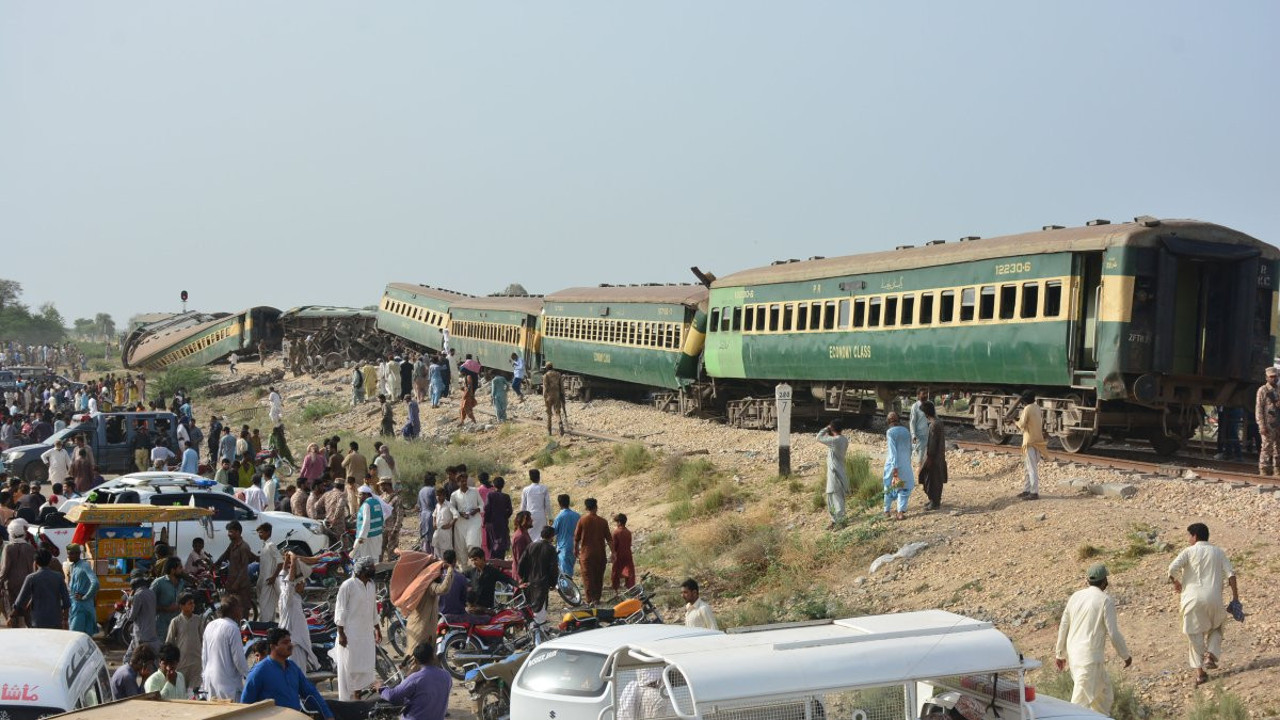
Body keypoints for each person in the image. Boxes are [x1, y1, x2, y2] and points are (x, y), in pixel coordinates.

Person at [1168, 523, 1240, 685]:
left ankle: (1200, 673)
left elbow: (1171, 568)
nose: (1188, 539)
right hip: (1214, 599)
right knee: (1218, 626)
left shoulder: (1188, 552)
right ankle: (1211, 654)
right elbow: (1232, 575)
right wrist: (1235, 598)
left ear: (1194, 536)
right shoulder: (1218, 552)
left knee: (1194, 635)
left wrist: (1176, 582)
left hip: (1191, 600)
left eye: (1189, 536)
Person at [1055, 564, 1132, 714]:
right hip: (1088, 660)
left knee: (1104, 695)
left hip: (1077, 657)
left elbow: (1064, 625)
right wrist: (1125, 656)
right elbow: (1113, 633)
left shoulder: (1075, 597)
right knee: (1078, 707)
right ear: (1104, 581)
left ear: (1087, 580)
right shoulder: (1105, 600)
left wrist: (1060, 654)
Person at [241, 628, 335, 720]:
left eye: (290, 641)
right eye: (285, 642)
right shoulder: (259, 671)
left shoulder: (293, 668)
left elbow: (311, 693)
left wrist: (328, 715)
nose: (290, 645)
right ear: (273, 647)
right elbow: (245, 705)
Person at [334, 557, 380, 700]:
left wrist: (377, 627)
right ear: (362, 570)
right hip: (350, 635)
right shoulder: (348, 586)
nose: (374, 570)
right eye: (371, 568)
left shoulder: (371, 585)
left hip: (366, 634)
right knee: (349, 669)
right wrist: (341, 634)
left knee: (364, 668)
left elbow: (373, 609)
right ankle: (346, 704)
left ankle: (358, 699)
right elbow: (340, 610)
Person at [379, 641, 452, 720]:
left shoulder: (415, 678)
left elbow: (392, 696)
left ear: (416, 661)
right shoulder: (446, 675)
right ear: (433, 656)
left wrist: (381, 688)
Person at [278, 550, 324, 671]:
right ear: (297, 584)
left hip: (294, 641)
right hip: (294, 644)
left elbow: (283, 574)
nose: (304, 586)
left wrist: (288, 559)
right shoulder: (288, 596)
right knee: (297, 673)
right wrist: (293, 559)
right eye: (303, 582)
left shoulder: (284, 588)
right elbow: (290, 579)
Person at [203, 595, 249, 699]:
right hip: (228, 686)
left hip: (210, 683)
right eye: (239, 607)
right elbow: (239, 662)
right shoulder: (232, 628)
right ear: (234, 610)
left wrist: (204, 679)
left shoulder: (210, 625)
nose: (242, 610)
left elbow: (204, 657)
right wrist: (251, 677)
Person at [13, 548, 70, 629]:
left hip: (37, 620)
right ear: (50, 561)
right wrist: (65, 619)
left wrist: (11, 615)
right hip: (56, 620)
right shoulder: (58, 577)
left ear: (35, 562)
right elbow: (66, 600)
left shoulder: (31, 578)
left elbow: (20, 600)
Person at [518, 526, 560, 622]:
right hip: (542, 583)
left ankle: (535, 630)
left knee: (531, 607)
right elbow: (553, 569)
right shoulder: (551, 549)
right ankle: (539, 632)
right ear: (551, 536)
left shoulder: (530, 546)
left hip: (529, 582)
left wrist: (523, 578)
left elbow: (521, 564)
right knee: (540, 609)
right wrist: (553, 583)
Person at [574, 498, 611, 605]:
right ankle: (597, 598)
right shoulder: (603, 521)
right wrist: (613, 553)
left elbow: (576, 538)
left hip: (586, 554)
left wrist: (575, 549)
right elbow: (609, 539)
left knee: (587, 577)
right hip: (600, 554)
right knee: (598, 576)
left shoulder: (582, 520)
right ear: (596, 507)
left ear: (586, 508)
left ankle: (590, 599)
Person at [166, 593, 205, 691]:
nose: (193, 605)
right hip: (181, 664)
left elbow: (203, 639)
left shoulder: (198, 620)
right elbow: (169, 642)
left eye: (193, 603)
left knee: (193, 692)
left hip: (196, 663)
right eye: (190, 603)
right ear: (182, 606)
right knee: (181, 691)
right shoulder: (175, 621)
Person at [215, 520, 256, 612]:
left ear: (238, 532)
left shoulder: (244, 547)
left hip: (241, 586)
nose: (228, 534)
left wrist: (236, 584)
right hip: (231, 584)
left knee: (242, 610)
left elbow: (244, 569)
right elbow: (225, 555)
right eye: (228, 532)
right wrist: (215, 564)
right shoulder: (232, 544)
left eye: (231, 532)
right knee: (230, 609)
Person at [0, 518, 35, 624]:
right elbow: (32, 568)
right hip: (27, 584)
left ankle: (15, 632)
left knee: (12, 610)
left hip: (11, 585)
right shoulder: (30, 548)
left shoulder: (8, 548)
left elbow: (5, 569)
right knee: (27, 612)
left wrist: (0, 582)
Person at [1013, 390, 1046, 500]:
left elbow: (1022, 425)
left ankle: (1034, 492)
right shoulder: (1037, 407)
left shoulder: (1027, 409)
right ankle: (1026, 490)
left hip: (1029, 441)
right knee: (1029, 467)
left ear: (1024, 400)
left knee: (1031, 468)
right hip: (1038, 440)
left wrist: (1014, 421)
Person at [816, 419, 849, 528]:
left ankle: (839, 521)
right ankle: (836, 520)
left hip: (835, 473)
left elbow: (818, 437)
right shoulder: (844, 440)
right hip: (839, 471)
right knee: (835, 497)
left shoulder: (835, 441)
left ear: (833, 428)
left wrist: (827, 428)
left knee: (835, 497)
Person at [882, 412, 914, 520]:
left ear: (888, 421)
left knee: (889, 487)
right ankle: (900, 512)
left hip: (893, 465)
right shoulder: (906, 431)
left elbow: (892, 451)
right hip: (905, 464)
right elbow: (910, 448)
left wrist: (894, 468)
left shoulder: (890, 432)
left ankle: (886, 511)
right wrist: (907, 462)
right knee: (903, 489)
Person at [916, 401, 948, 510]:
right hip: (939, 456)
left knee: (931, 479)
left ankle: (934, 503)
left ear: (926, 414)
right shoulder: (939, 422)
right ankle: (933, 500)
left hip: (933, 458)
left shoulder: (933, 425)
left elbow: (932, 445)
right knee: (935, 479)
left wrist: (929, 458)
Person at [463, 547, 515, 612]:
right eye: (472, 560)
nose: (473, 562)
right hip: (474, 608)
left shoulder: (492, 571)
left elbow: (507, 578)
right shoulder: (472, 572)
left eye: (475, 559)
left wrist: (518, 585)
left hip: (487, 608)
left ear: (482, 558)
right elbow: (459, 576)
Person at [125, 569, 160, 659]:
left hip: (141, 636)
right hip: (151, 633)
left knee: (137, 659)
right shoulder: (151, 593)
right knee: (129, 658)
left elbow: (131, 617)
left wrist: (128, 605)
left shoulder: (138, 596)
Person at [66, 543, 99, 635]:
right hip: (74, 605)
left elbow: (95, 583)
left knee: (75, 634)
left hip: (82, 606)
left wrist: (85, 597)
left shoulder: (84, 565)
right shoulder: (73, 566)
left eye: (71, 554)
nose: (69, 556)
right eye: (68, 554)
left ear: (78, 554)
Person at [151, 557, 186, 640]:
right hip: (161, 625)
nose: (182, 570)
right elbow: (149, 604)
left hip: (177, 624)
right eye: (180, 568)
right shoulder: (158, 583)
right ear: (172, 570)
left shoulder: (181, 583)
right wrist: (166, 608)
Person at [450, 473, 484, 554]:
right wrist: (459, 513)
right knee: (461, 548)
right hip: (461, 524)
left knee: (473, 544)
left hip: (474, 521)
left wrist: (476, 510)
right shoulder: (454, 495)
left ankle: (476, 565)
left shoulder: (474, 491)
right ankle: (464, 566)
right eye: (462, 481)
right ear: (458, 483)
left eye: (465, 481)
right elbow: (451, 508)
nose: (464, 483)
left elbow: (482, 504)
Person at [257, 523, 283, 622]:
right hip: (264, 581)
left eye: (261, 532)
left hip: (269, 581)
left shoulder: (271, 545)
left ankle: (265, 629)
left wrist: (273, 577)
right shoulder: (265, 545)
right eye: (259, 533)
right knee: (266, 607)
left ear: (268, 532)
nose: (260, 535)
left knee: (266, 609)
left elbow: (280, 562)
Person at [1256, 367, 1280, 475]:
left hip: (1278, 423)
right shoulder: (1263, 390)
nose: (1274, 379)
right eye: (1271, 377)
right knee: (1266, 447)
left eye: (1276, 376)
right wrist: (1261, 425)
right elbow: (1259, 409)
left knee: (1278, 447)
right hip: (1268, 424)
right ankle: (1264, 469)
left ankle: (1277, 469)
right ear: (1266, 377)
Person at [353, 484, 386, 563]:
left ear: (366, 494)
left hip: (368, 537)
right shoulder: (376, 502)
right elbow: (381, 517)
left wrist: (361, 538)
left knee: (364, 559)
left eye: (360, 495)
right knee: (374, 558)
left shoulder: (366, 505)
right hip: (377, 535)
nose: (359, 497)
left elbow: (366, 523)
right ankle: (376, 573)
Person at [485, 476, 513, 559]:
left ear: (493, 485)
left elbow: (487, 509)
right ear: (503, 485)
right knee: (502, 544)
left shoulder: (490, 495)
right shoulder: (506, 496)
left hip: (492, 524)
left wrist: (486, 522)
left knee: (492, 544)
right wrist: (504, 518)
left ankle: (493, 563)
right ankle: (501, 563)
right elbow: (510, 511)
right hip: (503, 524)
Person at [553, 494, 580, 578]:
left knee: (565, 572)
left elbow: (553, 531)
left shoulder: (559, 517)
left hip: (563, 547)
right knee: (570, 569)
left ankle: (567, 589)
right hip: (574, 546)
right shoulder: (577, 516)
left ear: (559, 503)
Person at [611, 513, 635, 593]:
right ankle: (631, 588)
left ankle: (616, 590)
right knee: (629, 571)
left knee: (615, 572)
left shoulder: (616, 532)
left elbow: (614, 546)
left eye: (617, 522)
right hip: (628, 554)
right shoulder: (628, 532)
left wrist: (613, 554)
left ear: (620, 522)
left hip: (619, 554)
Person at [432, 486, 458, 557]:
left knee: (446, 551)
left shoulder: (448, 505)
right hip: (437, 531)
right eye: (437, 495)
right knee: (436, 549)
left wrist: (450, 525)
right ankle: (439, 565)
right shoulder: (437, 505)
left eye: (441, 495)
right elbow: (434, 514)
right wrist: (434, 522)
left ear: (444, 495)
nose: (439, 497)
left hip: (446, 532)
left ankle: (447, 565)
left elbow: (456, 515)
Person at [543, 363, 566, 435]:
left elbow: (545, 387)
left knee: (549, 414)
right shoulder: (558, 374)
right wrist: (562, 396)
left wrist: (544, 397)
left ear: (546, 368)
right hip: (557, 395)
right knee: (557, 412)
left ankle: (549, 431)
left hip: (549, 396)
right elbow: (561, 386)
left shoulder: (545, 375)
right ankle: (560, 423)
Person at [909, 388, 930, 465]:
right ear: (918, 396)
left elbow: (934, 417)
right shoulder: (915, 406)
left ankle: (923, 474)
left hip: (929, 434)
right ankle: (920, 473)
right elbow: (912, 422)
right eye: (923, 394)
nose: (925, 395)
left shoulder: (930, 404)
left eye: (926, 393)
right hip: (919, 436)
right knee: (920, 458)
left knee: (927, 457)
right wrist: (913, 434)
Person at [418, 473, 438, 553]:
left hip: (423, 515)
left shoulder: (421, 490)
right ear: (431, 480)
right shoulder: (432, 490)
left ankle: (426, 555)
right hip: (431, 515)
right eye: (434, 479)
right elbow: (436, 505)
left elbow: (419, 505)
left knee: (425, 538)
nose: (435, 481)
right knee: (432, 538)